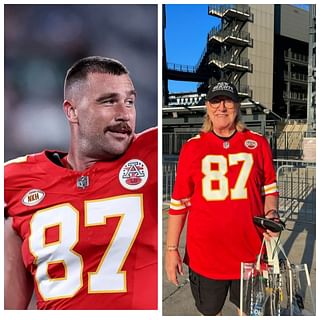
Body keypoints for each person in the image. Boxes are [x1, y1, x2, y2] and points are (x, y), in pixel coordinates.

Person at [4, 56, 157, 310]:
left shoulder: (150, 151)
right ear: (71, 111)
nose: (124, 114)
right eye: (109, 101)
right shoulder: (15, 180)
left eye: (129, 102)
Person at [165, 81, 279, 316]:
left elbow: (270, 189)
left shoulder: (257, 144)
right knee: (209, 311)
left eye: (228, 100)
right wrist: (171, 249)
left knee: (250, 312)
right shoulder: (192, 148)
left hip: (251, 252)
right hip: (206, 255)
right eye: (216, 101)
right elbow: (178, 204)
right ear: (207, 106)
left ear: (237, 105)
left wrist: (271, 214)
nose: (222, 107)